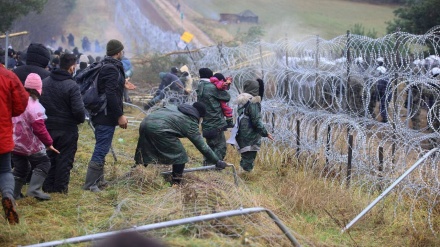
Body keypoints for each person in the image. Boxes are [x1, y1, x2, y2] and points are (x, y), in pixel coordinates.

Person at [134, 102, 227, 184]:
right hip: (160, 129)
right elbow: (203, 146)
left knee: (145, 150)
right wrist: (217, 161)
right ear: (200, 116)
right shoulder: (190, 122)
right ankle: (176, 183)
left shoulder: (175, 107)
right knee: (180, 156)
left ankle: (135, 173)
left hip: (145, 123)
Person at [83, 39, 128, 192]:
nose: (123, 53)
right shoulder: (111, 68)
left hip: (102, 113)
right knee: (101, 147)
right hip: (105, 114)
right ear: (118, 52)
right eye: (122, 50)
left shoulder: (106, 65)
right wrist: (120, 115)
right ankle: (90, 184)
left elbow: (109, 88)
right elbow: (110, 94)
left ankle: (99, 180)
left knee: (103, 146)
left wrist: (122, 84)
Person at [40, 53, 86, 193]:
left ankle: (47, 186)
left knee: (49, 158)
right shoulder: (72, 86)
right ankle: (60, 189)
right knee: (64, 160)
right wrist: (79, 120)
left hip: (47, 127)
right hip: (67, 130)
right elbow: (79, 111)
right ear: (72, 67)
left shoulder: (45, 82)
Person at [12, 73, 60, 201]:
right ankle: (34, 190)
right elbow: (40, 129)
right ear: (39, 90)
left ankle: (14, 193)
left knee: (22, 167)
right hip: (28, 144)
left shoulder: (16, 100)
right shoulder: (34, 107)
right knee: (44, 162)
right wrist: (49, 143)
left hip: (14, 143)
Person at [0, 66, 28, 224]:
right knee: (4, 171)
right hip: (1, 132)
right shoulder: (8, 76)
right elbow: (20, 104)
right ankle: (8, 197)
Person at [232, 79, 273, 172]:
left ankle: (242, 173)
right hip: (250, 134)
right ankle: (245, 176)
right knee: (249, 157)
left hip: (242, 131)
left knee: (245, 155)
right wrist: (265, 133)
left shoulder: (242, 100)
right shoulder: (253, 102)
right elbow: (256, 121)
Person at [196, 68, 231, 165]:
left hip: (206, 122)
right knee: (220, 147)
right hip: (216, 123)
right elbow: (226, 97)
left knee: (209, 147)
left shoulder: (199, 86)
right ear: (211, 76)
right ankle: (215, 168)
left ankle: (206, 166)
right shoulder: (211, 87)